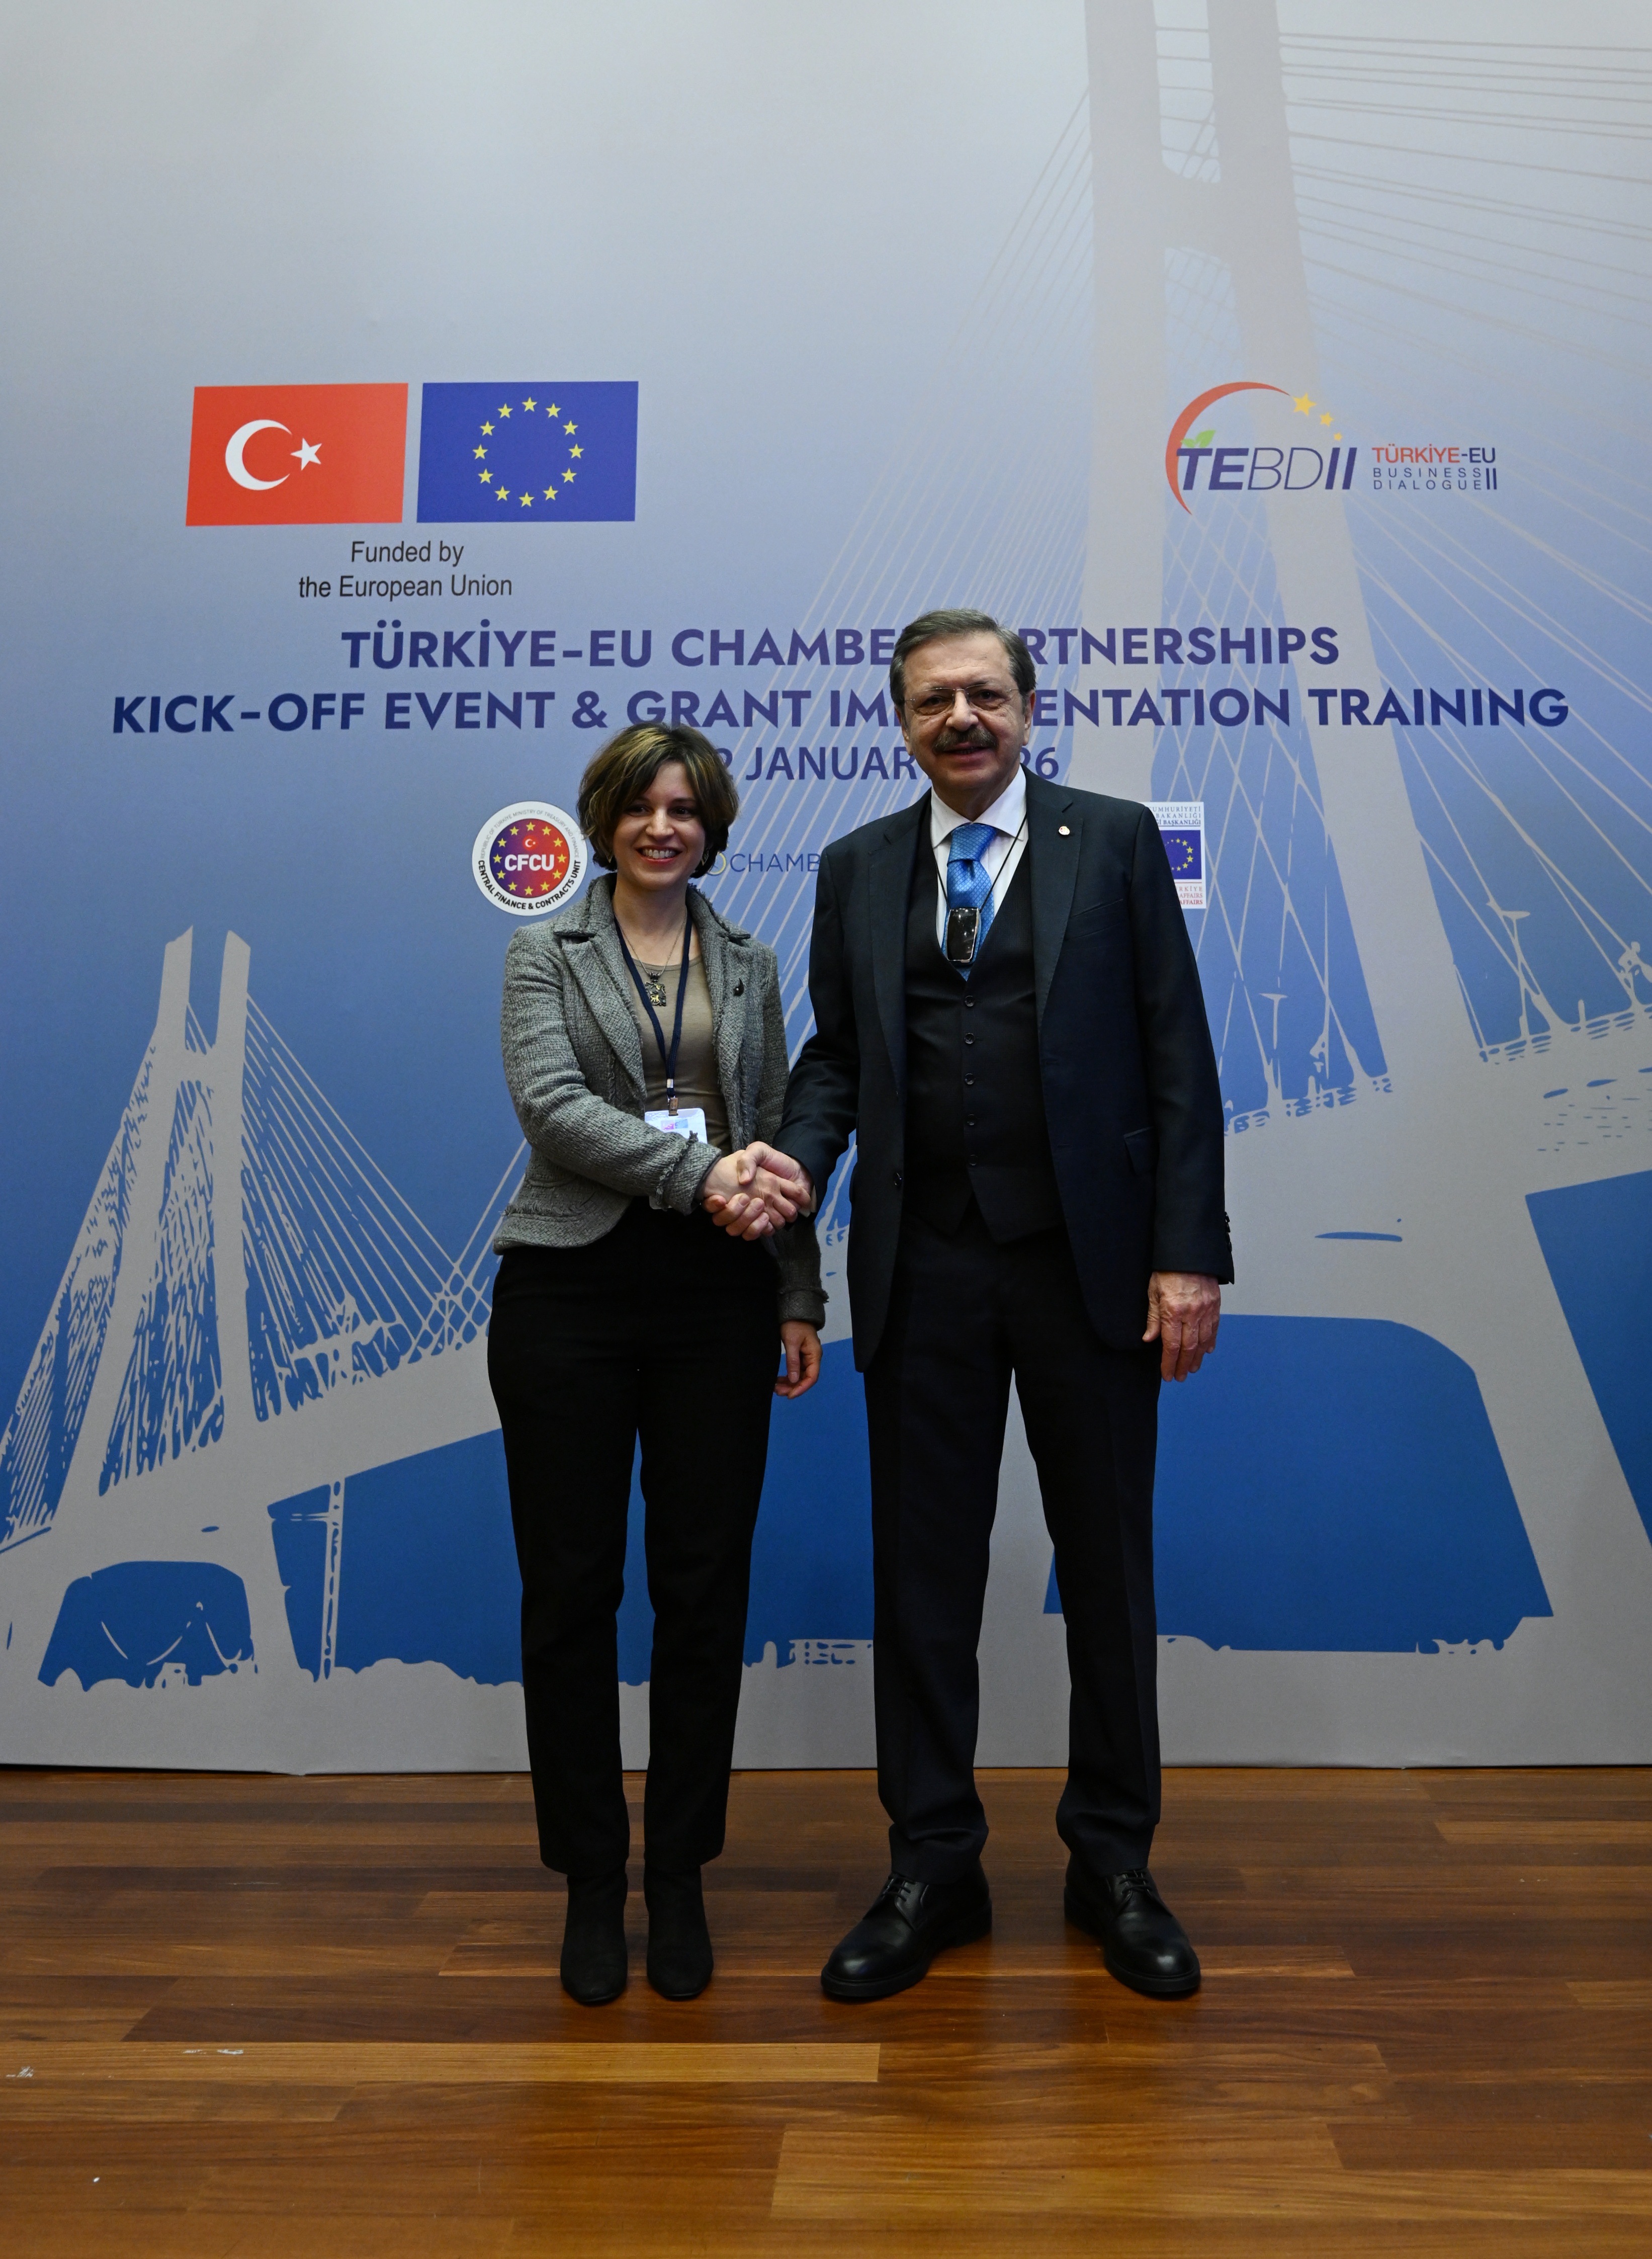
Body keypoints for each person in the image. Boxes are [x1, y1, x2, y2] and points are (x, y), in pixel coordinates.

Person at [724, 608, 1231, 2002]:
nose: (961, 717)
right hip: (924, 1266)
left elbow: (1176, 1055)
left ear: (1026, 707)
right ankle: (932, 1862)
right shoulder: (853, 865)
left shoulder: (1112, 841)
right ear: (899, 720)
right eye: (933, 699)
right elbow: (837, 1058)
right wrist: (795, 1161)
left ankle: (1110, 1862)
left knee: (1106, 1569)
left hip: (1087, 1265)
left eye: (986, 695)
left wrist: (1185, 1253)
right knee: (922, 1578)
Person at [487, 721, 824, 2007]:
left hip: (717, 1299)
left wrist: (795, 1292)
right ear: (604, 820)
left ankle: (677, 1870)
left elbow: (773, 1131)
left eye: (683, 808)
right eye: (639, 805)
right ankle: (590, 1875)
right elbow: (551, 1110)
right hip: (565, 1293)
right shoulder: (543, 950)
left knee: (701, 1590)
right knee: (570, 1594)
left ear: (711, 825)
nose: (661, 826)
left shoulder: (748, 961)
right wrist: (701, 1174)